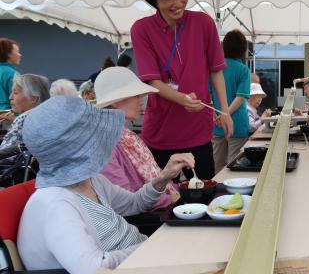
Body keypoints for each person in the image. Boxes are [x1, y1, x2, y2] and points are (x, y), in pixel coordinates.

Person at [17, 96, 195, 274]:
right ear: (80, 150)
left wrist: (164, 177)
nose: (109, 140)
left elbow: (135, 203)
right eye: (98, 135)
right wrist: (153, 245)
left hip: (146, 257)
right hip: (137, 263)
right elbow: (95, 268)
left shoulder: (92, 180)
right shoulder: (54, 204)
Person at [131, 0, 232, 180]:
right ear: (153, 0)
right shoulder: (142, 29)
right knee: (162, 200)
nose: (177, 3)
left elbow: (216, 70)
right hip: (160, 133)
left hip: (198, 131)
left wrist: (224, 110)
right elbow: (151, 81)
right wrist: (182, 99)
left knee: (205, 192)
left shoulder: (204, 23)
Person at [95, 67, 179, 209]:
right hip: (147, 219)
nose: (141, 100)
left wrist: (180, 189)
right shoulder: (104, 142)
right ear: (115, 101)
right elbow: (124, 198)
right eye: (136, 95)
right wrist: (170, 198)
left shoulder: (122, 134)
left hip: (154, 208)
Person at [211, 30, 251, 172]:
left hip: (217, 123)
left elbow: (208, 96)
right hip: (238, 124)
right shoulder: (243, 70)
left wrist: (218, 115)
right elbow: (241, 97)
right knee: (235, 166)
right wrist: (225, 114)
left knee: (218, 165)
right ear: (243, 49)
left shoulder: (214, 69)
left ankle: (219, 194)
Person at [0, 74, 50, 150]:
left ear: (33, 99)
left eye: (15, 93)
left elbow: (4, 155)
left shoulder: (23, 118)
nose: (10, 97)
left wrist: (18, 122)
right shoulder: (48, 116)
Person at [0, 38, 21, 110]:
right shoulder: (12, 74)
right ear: (8, 54)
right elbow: (18, 100)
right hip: (6, 116)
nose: (20, 55)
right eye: (17, 52)